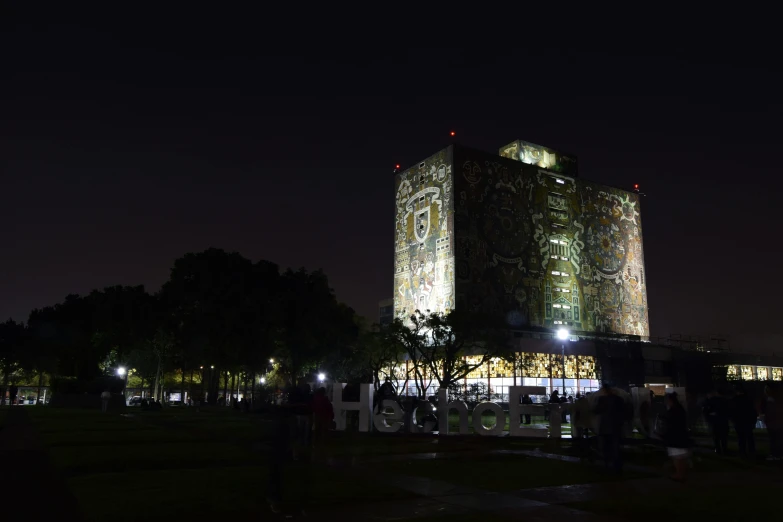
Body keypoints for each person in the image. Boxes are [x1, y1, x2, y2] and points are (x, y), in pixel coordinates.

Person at [594, 382, 626, 473]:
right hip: (616, 427)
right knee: (615, 447)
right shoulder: (619, 399)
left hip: (605, 427)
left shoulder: (602, 399)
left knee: (606, 447)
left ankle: (608, 464)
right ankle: (616, 465)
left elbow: (596, 410)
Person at [659, 392, 691, 482]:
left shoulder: (673, 411)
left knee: (677, 456)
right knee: (680, 456)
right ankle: (681, 473)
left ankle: (679, 474)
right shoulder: (680, 409)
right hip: (680, 436)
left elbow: (670, 423)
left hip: (675, 437)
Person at [730, 384, 757, 459]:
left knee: (741, 438)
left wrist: (733, 420)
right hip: (748, 421)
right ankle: (752, 452)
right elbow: (753, 411)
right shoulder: (748, 399)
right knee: (749, 437)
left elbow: (732, 411)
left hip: (739, 421)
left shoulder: (734, 400)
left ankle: (742, 452)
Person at [702, 390, 729, 454]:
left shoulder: (710, 401)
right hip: (723, 421)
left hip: (715, 422)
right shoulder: (724, 400)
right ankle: (724, 449)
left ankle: (718, 449)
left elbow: (705, 411)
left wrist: (709, 418)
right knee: (723, 437)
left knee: (716, 437)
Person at [761, 385, 782, 460]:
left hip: (773, 423)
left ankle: (775, 454)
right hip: (776, 423)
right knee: (777, 439)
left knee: (774, 439)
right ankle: (777, 454)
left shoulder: (769, 401)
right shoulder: (775, 400)